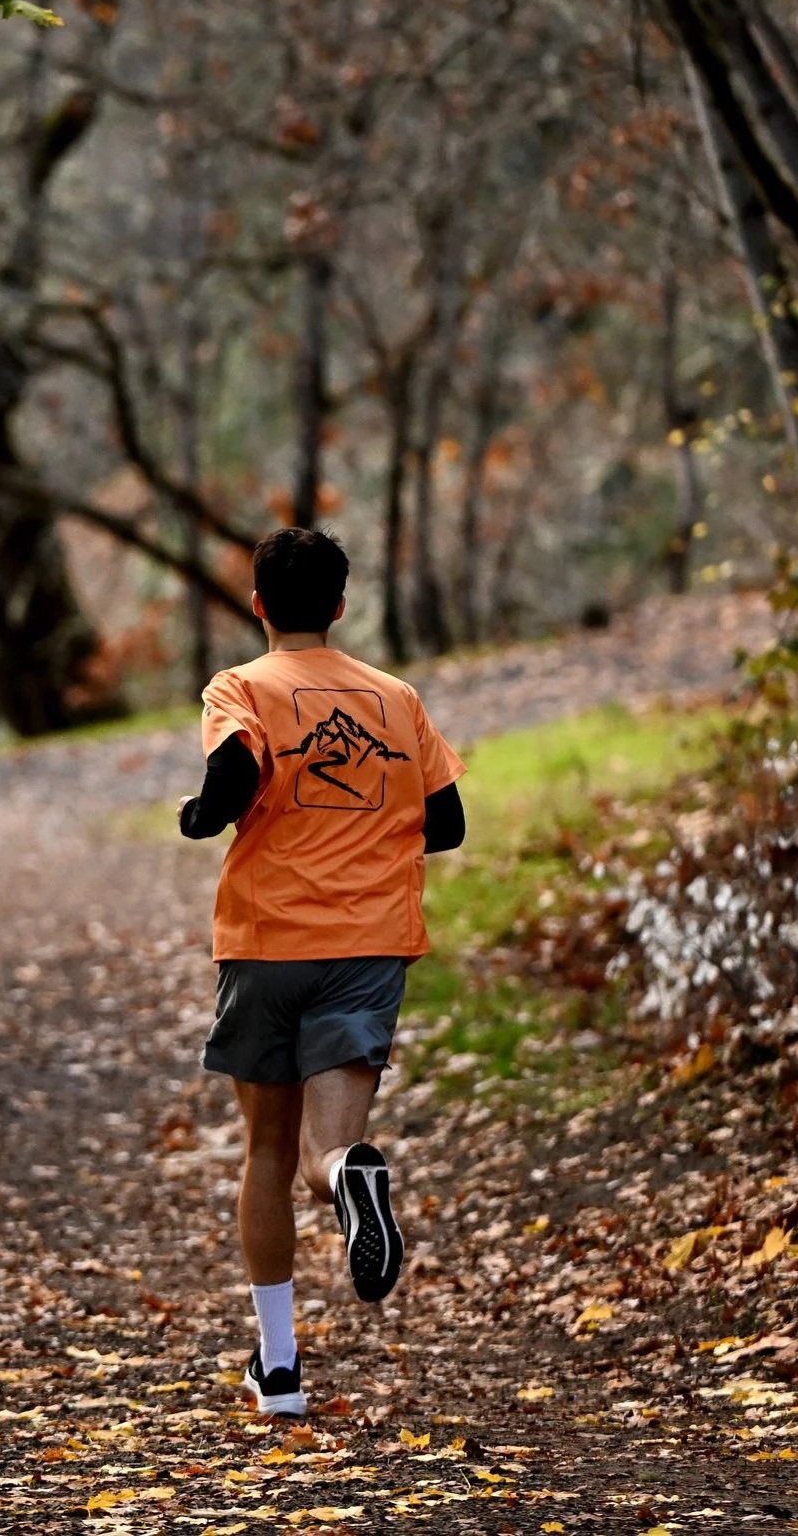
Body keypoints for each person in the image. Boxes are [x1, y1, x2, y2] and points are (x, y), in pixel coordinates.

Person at [177, 527, 466, 1417]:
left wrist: (201, 816)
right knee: (328, 1148)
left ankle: (281, 1371)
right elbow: (447, 821)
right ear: (341, 605)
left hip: (268, 944)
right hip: (369, 948)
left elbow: (232, 771)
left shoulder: (242, 688)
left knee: (266, 1151)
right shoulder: (395, 699)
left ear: (258, 605)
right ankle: (351, 1178)